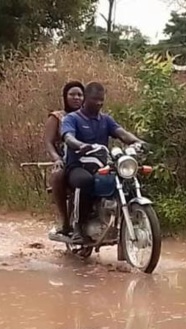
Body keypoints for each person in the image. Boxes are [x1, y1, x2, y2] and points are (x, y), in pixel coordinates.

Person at [61, 82, 147, 244]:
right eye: (95, 99)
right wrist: (79, 145)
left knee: (124, 179)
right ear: (86, 99)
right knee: (84, 181)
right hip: (78, 166)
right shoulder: (72, 119)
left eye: (101, 99)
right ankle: (77, 226)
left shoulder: (105, 120)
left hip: (100, 165)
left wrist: (138, 142)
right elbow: (68, 137)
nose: (99, 103)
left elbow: (122, 133)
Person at [45, 81, 85, 237]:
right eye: (72, 94)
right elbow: (48, 142)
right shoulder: (57, 117)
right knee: (58, 176)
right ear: (65, 97)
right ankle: (65, 220)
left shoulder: (88, 117)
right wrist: (56, 158)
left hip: (86, 159)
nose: (76, 98)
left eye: (80, 95)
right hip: (63, 159)